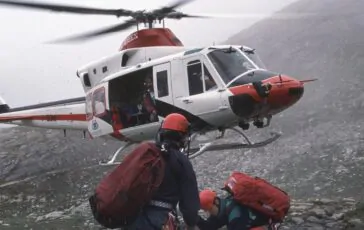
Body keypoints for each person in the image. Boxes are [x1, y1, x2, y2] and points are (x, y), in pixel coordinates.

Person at [126, 113, 201, 230]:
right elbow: (190, 203)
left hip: (133, 219)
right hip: (160, 220)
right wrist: (191, 223)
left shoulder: (147, 153)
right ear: (181, 137)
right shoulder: (181, 161)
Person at [197, 189, 279, 230]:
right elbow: (210, 226)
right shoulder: (224, 207)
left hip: (264, 225)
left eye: (208, 209)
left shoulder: (234, 216)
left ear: (216, 202)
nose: (207, 213)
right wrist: (195, 219)